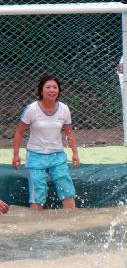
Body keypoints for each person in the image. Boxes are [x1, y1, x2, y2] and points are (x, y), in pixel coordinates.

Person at [11, 75, 80, 210]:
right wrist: (16, 155)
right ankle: (35, 226)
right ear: (41, 91)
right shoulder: (31, 109)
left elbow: (69, 132)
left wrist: (75, 154)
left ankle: (71, 222)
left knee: (67, 190)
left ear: (59, 91)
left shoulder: (64, 109)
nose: (52, 90)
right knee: (38, 194)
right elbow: (19, 132)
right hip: (36, 156)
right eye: (48, 87)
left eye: (55, 87)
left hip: (57, 156)